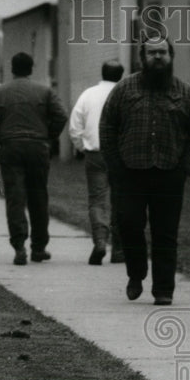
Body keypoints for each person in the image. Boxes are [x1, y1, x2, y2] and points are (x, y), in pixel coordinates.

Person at [99, 36, 190, 304]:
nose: (158, 57)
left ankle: (163, 290)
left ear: (171, 57)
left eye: (163, 52)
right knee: (129, 224)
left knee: (165, 233)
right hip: (129, 173)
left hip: (169, 173)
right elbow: (107, 127)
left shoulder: (185, 93)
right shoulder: (124, 90)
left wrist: (186, 167)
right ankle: (136, 273)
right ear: (142, 58)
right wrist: (116, 166)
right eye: (152, 53)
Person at [0, 51, 68, 266]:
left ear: (12, 69)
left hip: (10, 146)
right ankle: (39, 247)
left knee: (15, 198)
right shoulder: (44, 91)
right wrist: (48, 136)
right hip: (37, 147)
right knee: (39, 197)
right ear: (31, 68)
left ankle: (19, 246)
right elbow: (61, 115)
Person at [69, 59, 125, 266]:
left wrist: (83, 146)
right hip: (120, 156)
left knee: (97, 200)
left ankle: (100, 241)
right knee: (120, 200)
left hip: (95, 153)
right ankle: (119, 249)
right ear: (121, 74)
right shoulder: (125, 94)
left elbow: (75, 127)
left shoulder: (88, 94)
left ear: (102, 73)